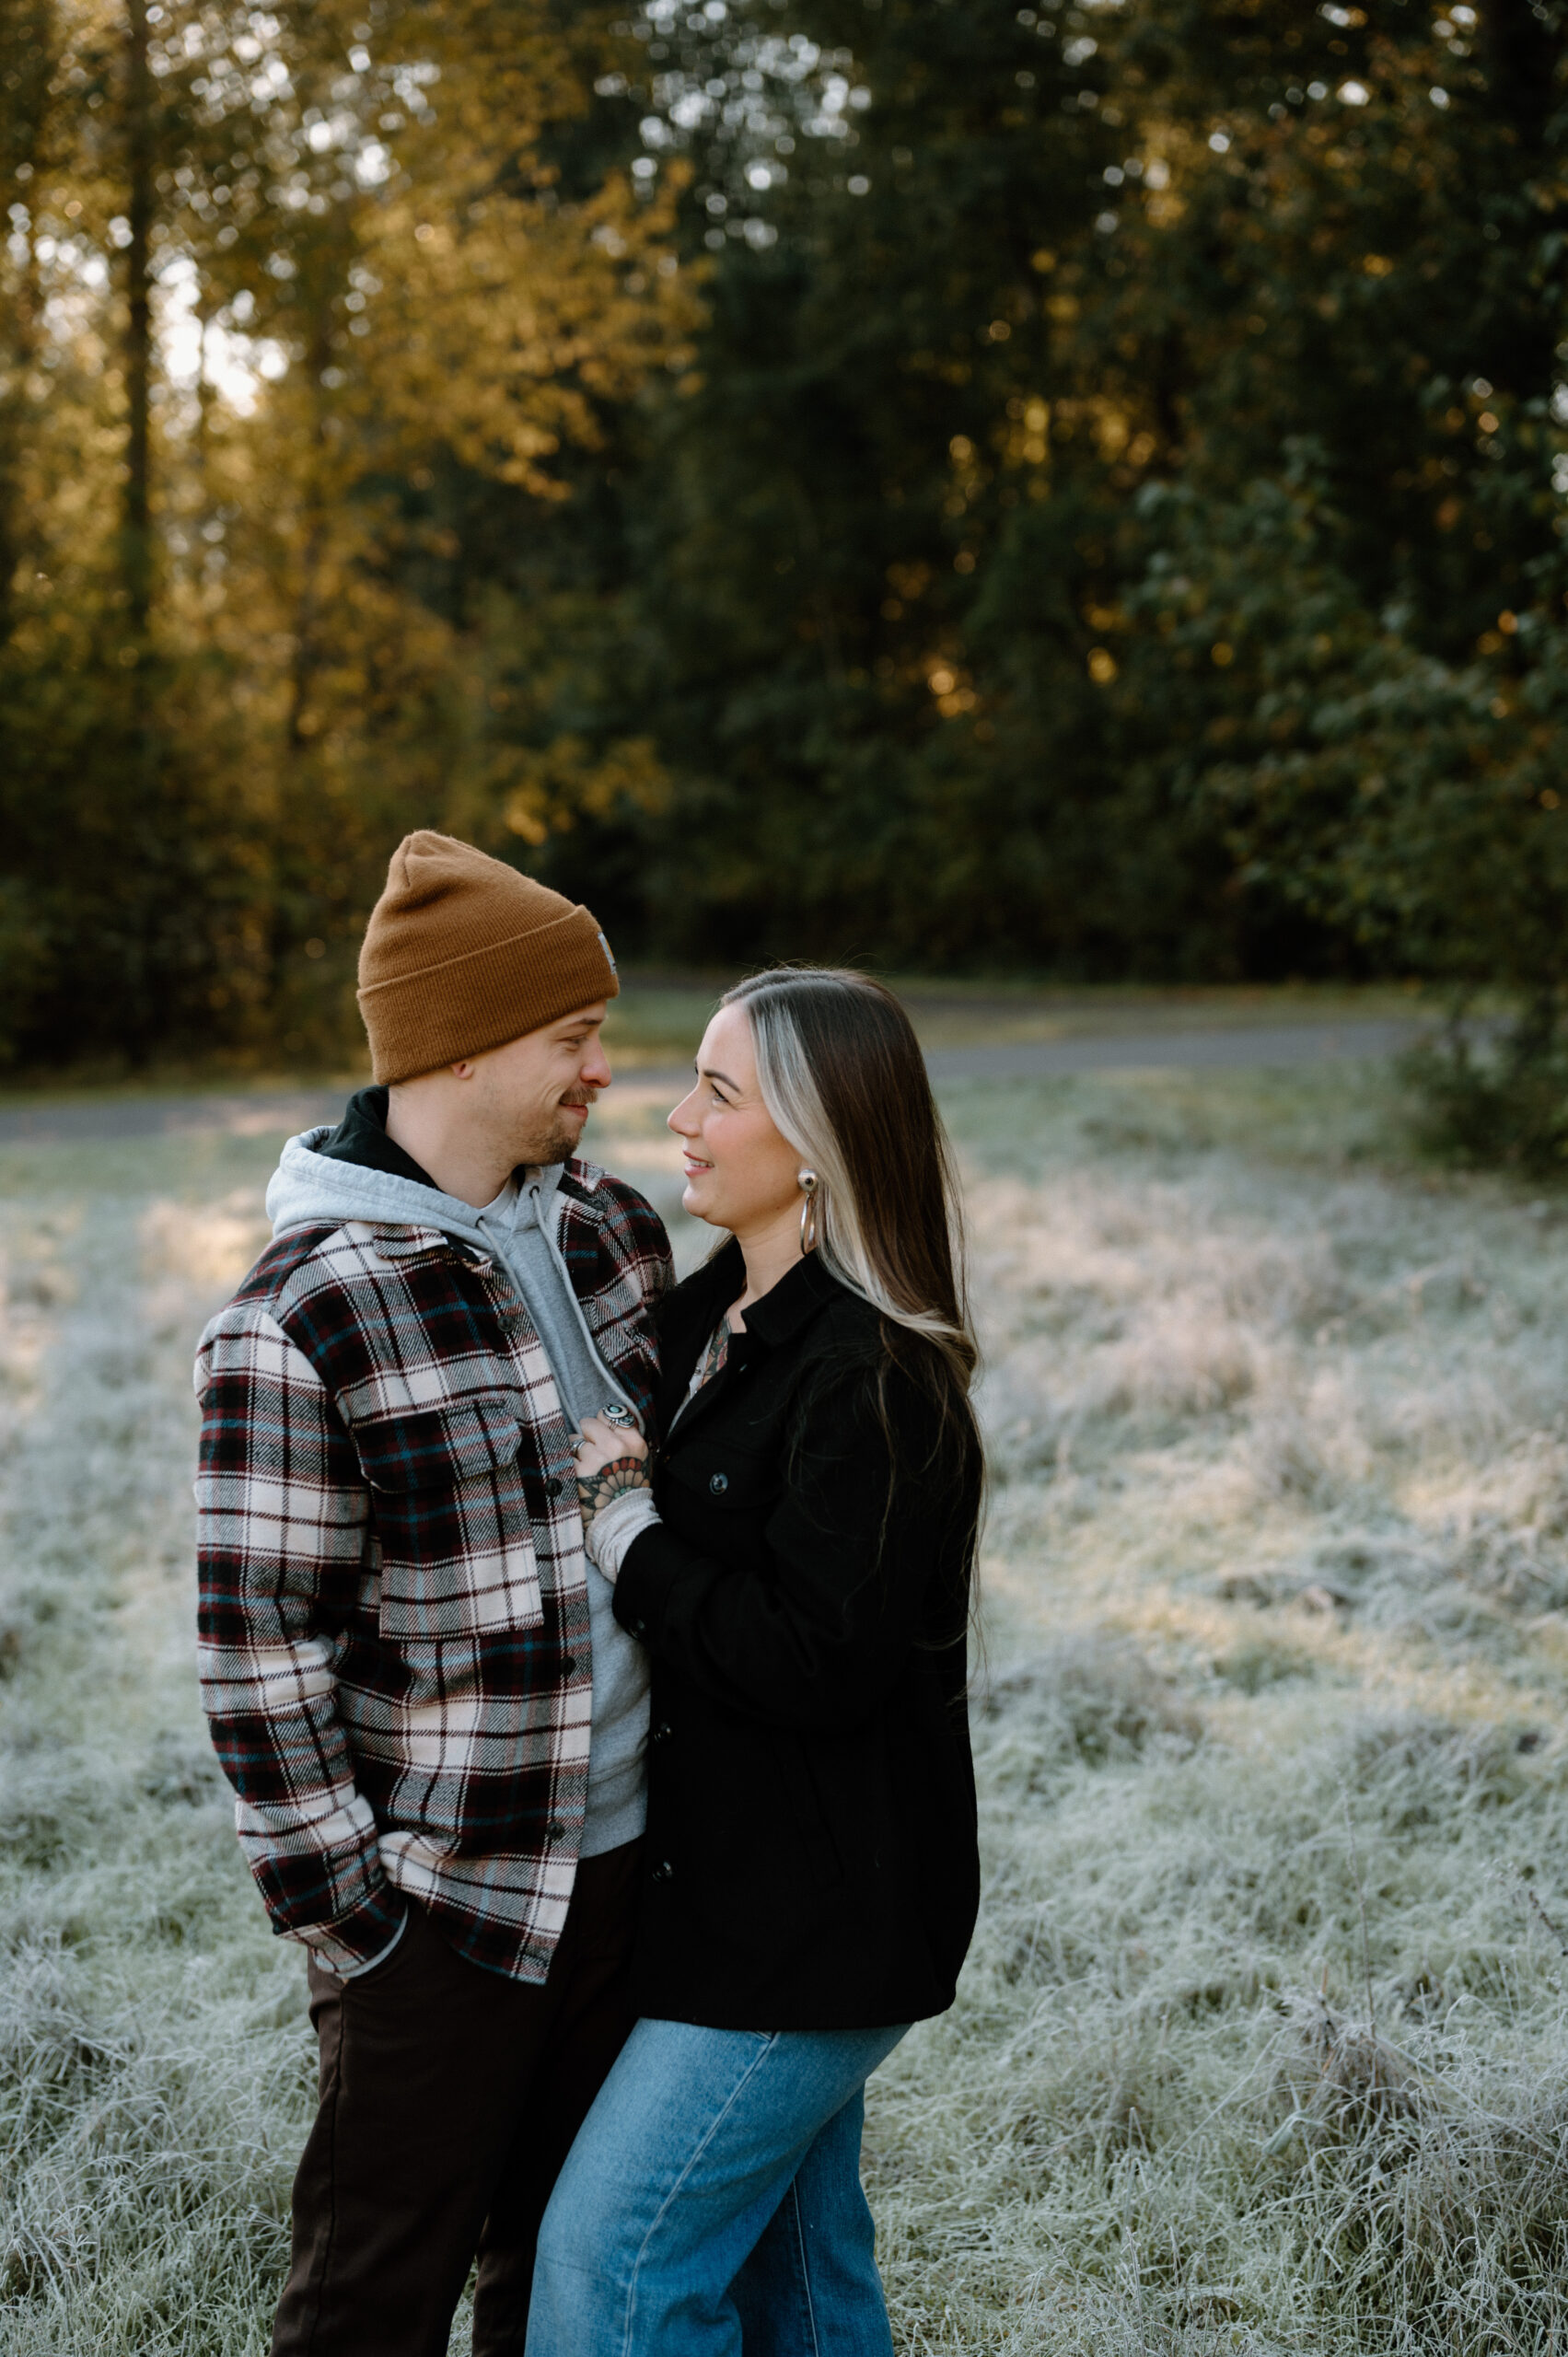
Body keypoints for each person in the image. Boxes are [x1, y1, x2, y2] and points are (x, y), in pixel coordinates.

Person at [193, 831, 672, 2357]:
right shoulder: (301, 1315)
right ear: (463, 1049)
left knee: (564, 2280)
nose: (602, 1069)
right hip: (446, 1906)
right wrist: (358, 1921)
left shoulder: (610, 1231)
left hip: (639, 1865)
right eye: (573, 1037)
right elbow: (257, 1652)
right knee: (369, 2300)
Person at [527, 966, 984, 2357]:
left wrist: (631, 1536)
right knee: (799, 2282)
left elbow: (812, 1663)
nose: (677, 1117)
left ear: (818, 1141)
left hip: (814, 1929)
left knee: (611, 2268)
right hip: (713, 1899)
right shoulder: (703, 1323)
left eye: (718, 1093)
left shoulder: (878, 1378)